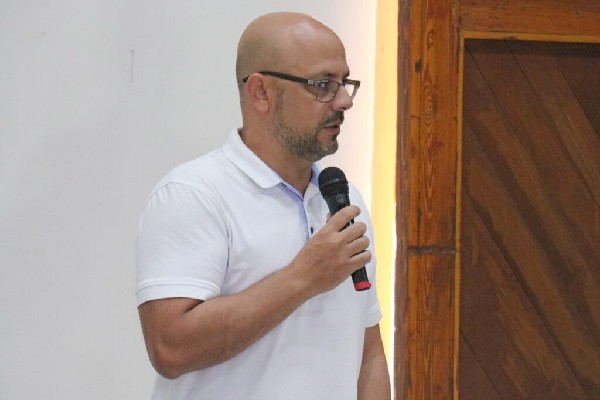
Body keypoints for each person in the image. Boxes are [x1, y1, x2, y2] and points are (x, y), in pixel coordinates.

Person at [136, 12, 391, 400]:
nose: (343, 101)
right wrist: (302, 279)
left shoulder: (345, 200)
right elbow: (170, 349)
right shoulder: (193, 194)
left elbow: (368, 354)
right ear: (261, 92)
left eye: (345, 83)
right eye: (323, 84)